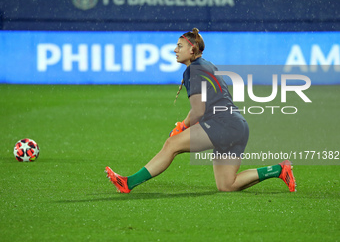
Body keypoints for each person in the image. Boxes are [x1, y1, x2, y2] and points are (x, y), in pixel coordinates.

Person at [105, 28, 296, 193]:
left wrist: (182, 128)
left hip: (223, 124)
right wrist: (182, 125)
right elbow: (201, 107)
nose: (175, 50)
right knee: (227, 185)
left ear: (192, 48)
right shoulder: (206, 65)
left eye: (180, 46)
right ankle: (279, 170)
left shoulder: (193, 70)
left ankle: (128, 183)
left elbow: (197, 111)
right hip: (237, 126)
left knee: (171, 145)